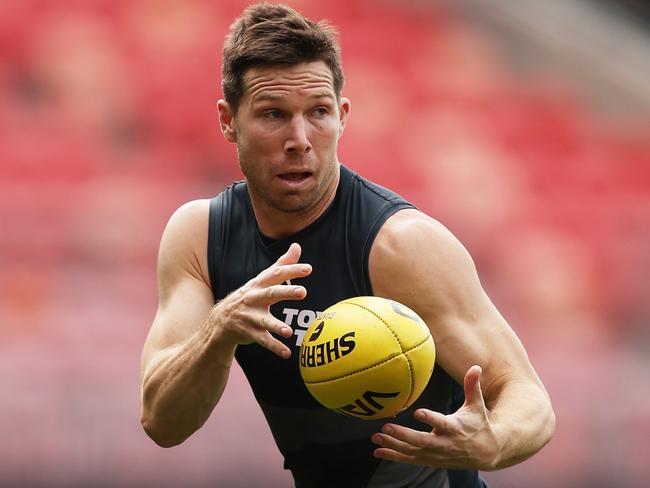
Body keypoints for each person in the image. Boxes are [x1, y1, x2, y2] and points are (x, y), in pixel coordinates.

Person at [140, 3, 555, 487]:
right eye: (273, 114)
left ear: (342, 116)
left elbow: (528, 397)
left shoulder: (400, 246)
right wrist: (220, 328)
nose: (299, 139)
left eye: (317, 113)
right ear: (228, 121)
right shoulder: (201, 237)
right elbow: (162, 424)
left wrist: (493, 440)